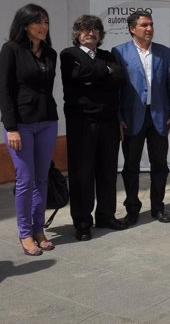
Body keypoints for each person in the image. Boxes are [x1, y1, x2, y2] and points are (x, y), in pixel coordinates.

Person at [0, 3, 59, 256]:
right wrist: (11, 127)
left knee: (42, 178)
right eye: (38, 22)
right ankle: (25, 233)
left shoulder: (49, 53)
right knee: (25, 180)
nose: (43, 27)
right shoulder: (11, 50)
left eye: (46, 22)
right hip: (20, 124)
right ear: (25, 25)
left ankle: (38, 229)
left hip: (47, 122)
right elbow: (4, 90)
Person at [60, 15, 127, 241]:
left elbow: (119, 77)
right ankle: (82, 222)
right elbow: (77, 76)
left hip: (108, 122)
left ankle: (106, 215)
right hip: (82, 124)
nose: (91, 33)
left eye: (95, 29)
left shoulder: (108, 56)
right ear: (77, 33)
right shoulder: (69, 55)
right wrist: (104, 72)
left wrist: (98, 74)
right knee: (82, 174)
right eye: (86, 29)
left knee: (107, 171)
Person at [112, 11, 170, 225]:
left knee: (159, 165)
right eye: (144, 25)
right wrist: (118, 117)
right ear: (133, 29)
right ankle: (132, 209)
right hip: (132, 118)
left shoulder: (164, 53)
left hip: (159, 117)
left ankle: (158, 208)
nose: (149, 28)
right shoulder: (119, 52)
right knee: (130, 167)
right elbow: (116, 90)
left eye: (151, 24)